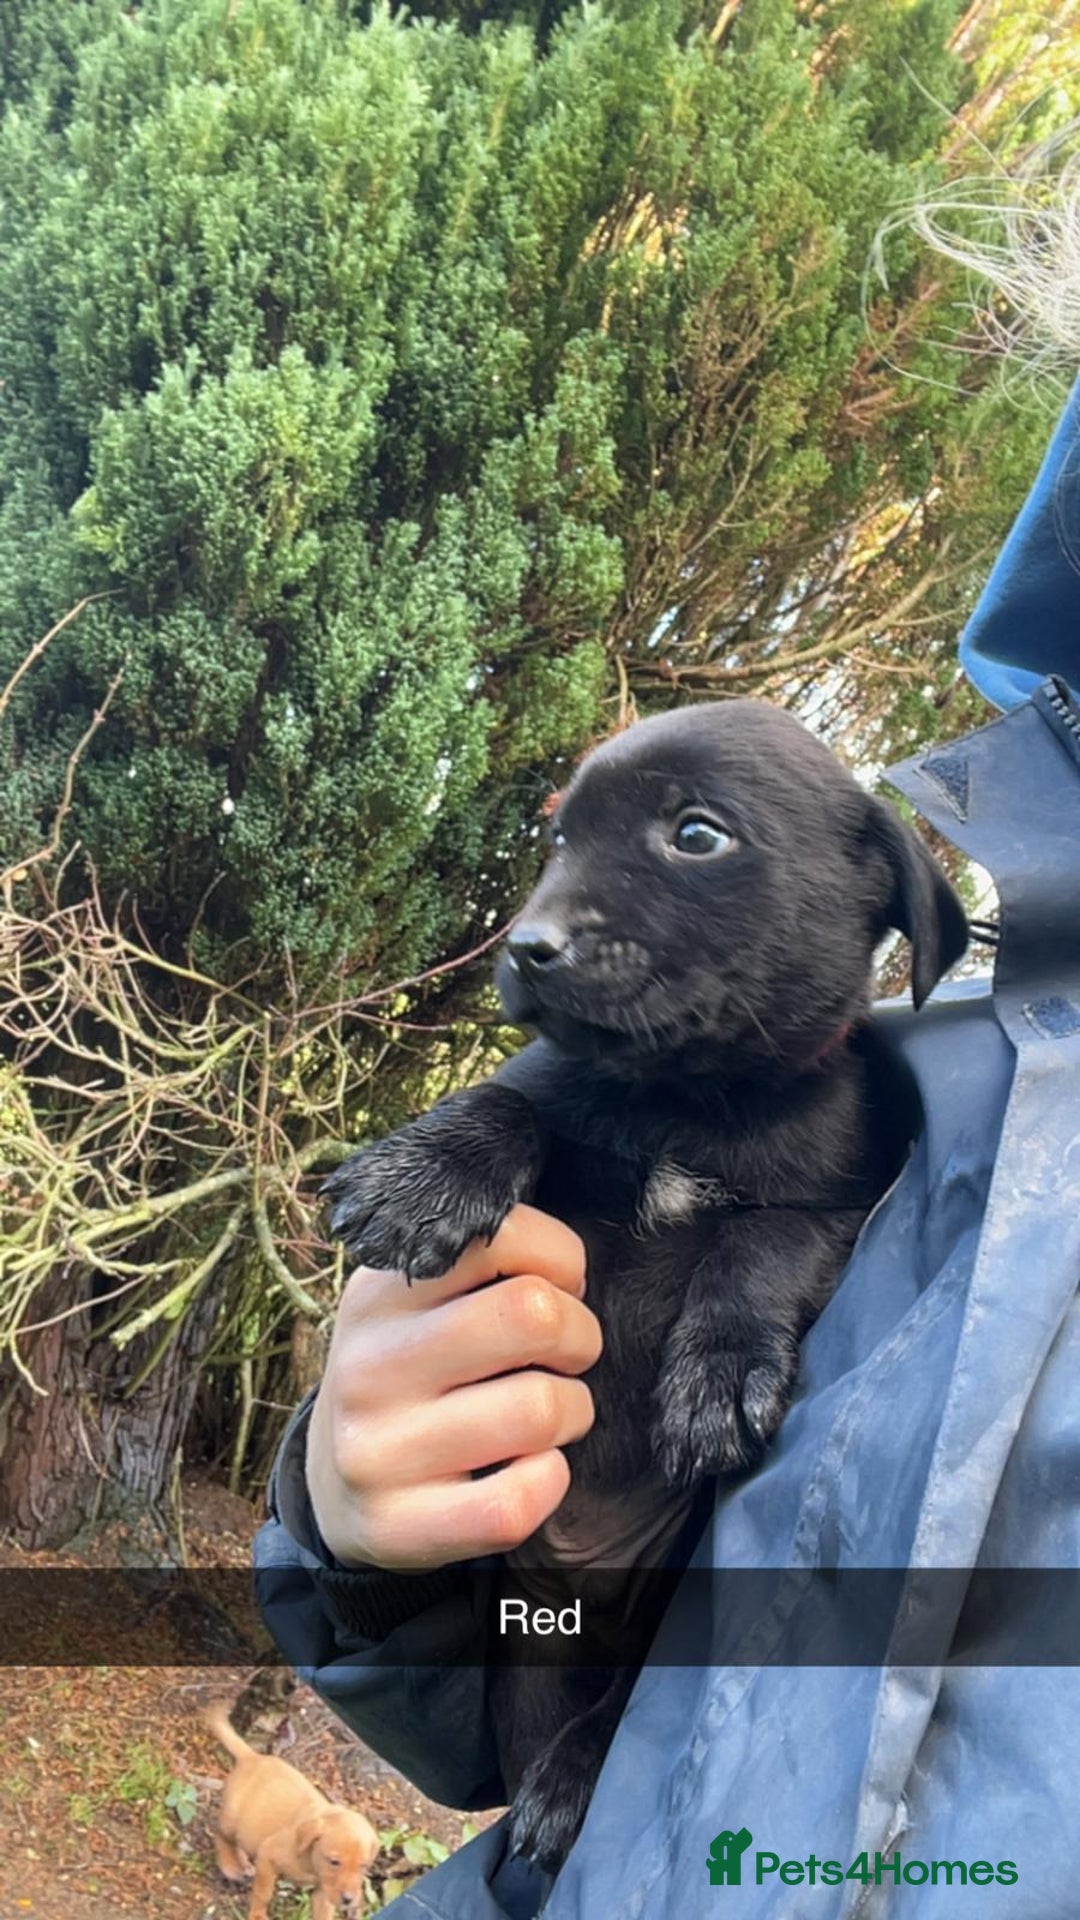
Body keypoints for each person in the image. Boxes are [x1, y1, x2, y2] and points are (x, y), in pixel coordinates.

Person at [256, 370, 1080, 1913]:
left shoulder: (871, 1120)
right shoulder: (623, 1077)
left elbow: (806, 1218)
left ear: (881, 900)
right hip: (523, 1620)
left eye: (692, 837)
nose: (545, 920)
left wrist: (749, 1293)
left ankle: (589, 1754)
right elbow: (510, 1126)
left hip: (640, 1677)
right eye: (566, 842)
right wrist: (347, 1523)